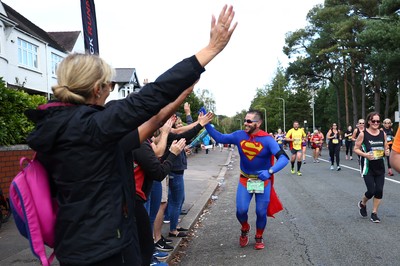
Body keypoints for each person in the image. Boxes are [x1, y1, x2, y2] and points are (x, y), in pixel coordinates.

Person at [24, 5, 237, 265]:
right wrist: (210, 50)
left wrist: (183, 91)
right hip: (104, 249)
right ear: (97, 88)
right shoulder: (95, 126)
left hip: (74, 245)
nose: (111, 90)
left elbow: (154, 117)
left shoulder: (62, 127)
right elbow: (151, 96)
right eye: (110, 84)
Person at [204, 110, 289, 250]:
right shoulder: (239, 135)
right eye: (245, 120)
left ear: (258, 123)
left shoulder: (267, 139)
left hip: (262, 181)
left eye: (249, 121)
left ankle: (259, 236)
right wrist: (206, 124)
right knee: (241, 210)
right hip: (246, 180)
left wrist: (270, 171)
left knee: (261, 212)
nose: (246, 123)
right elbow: (219, 138)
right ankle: (245, 227)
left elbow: (284, 158)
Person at [133, 117, 186, 265]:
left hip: (139, 194)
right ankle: (149, 259)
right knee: (141, 236)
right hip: (133, 197)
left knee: (145, 228)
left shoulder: (141, 139)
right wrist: (173, 153)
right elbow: (158, 167)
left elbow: (155, 150)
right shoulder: (137, 141)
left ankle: (151, 257)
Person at [354, 112, 390, 223]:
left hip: (380, 167)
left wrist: (387, 151)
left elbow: (385, 146)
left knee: (379, 190)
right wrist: (365, 155)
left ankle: (374, 213)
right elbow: (356, 148)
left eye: (378, 121)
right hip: (368, 167)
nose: (375, 123)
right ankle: (362, 203)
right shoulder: (363, 134)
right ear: (369, 121)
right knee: (371, 190)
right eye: (373, 121)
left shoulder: (382, 133)